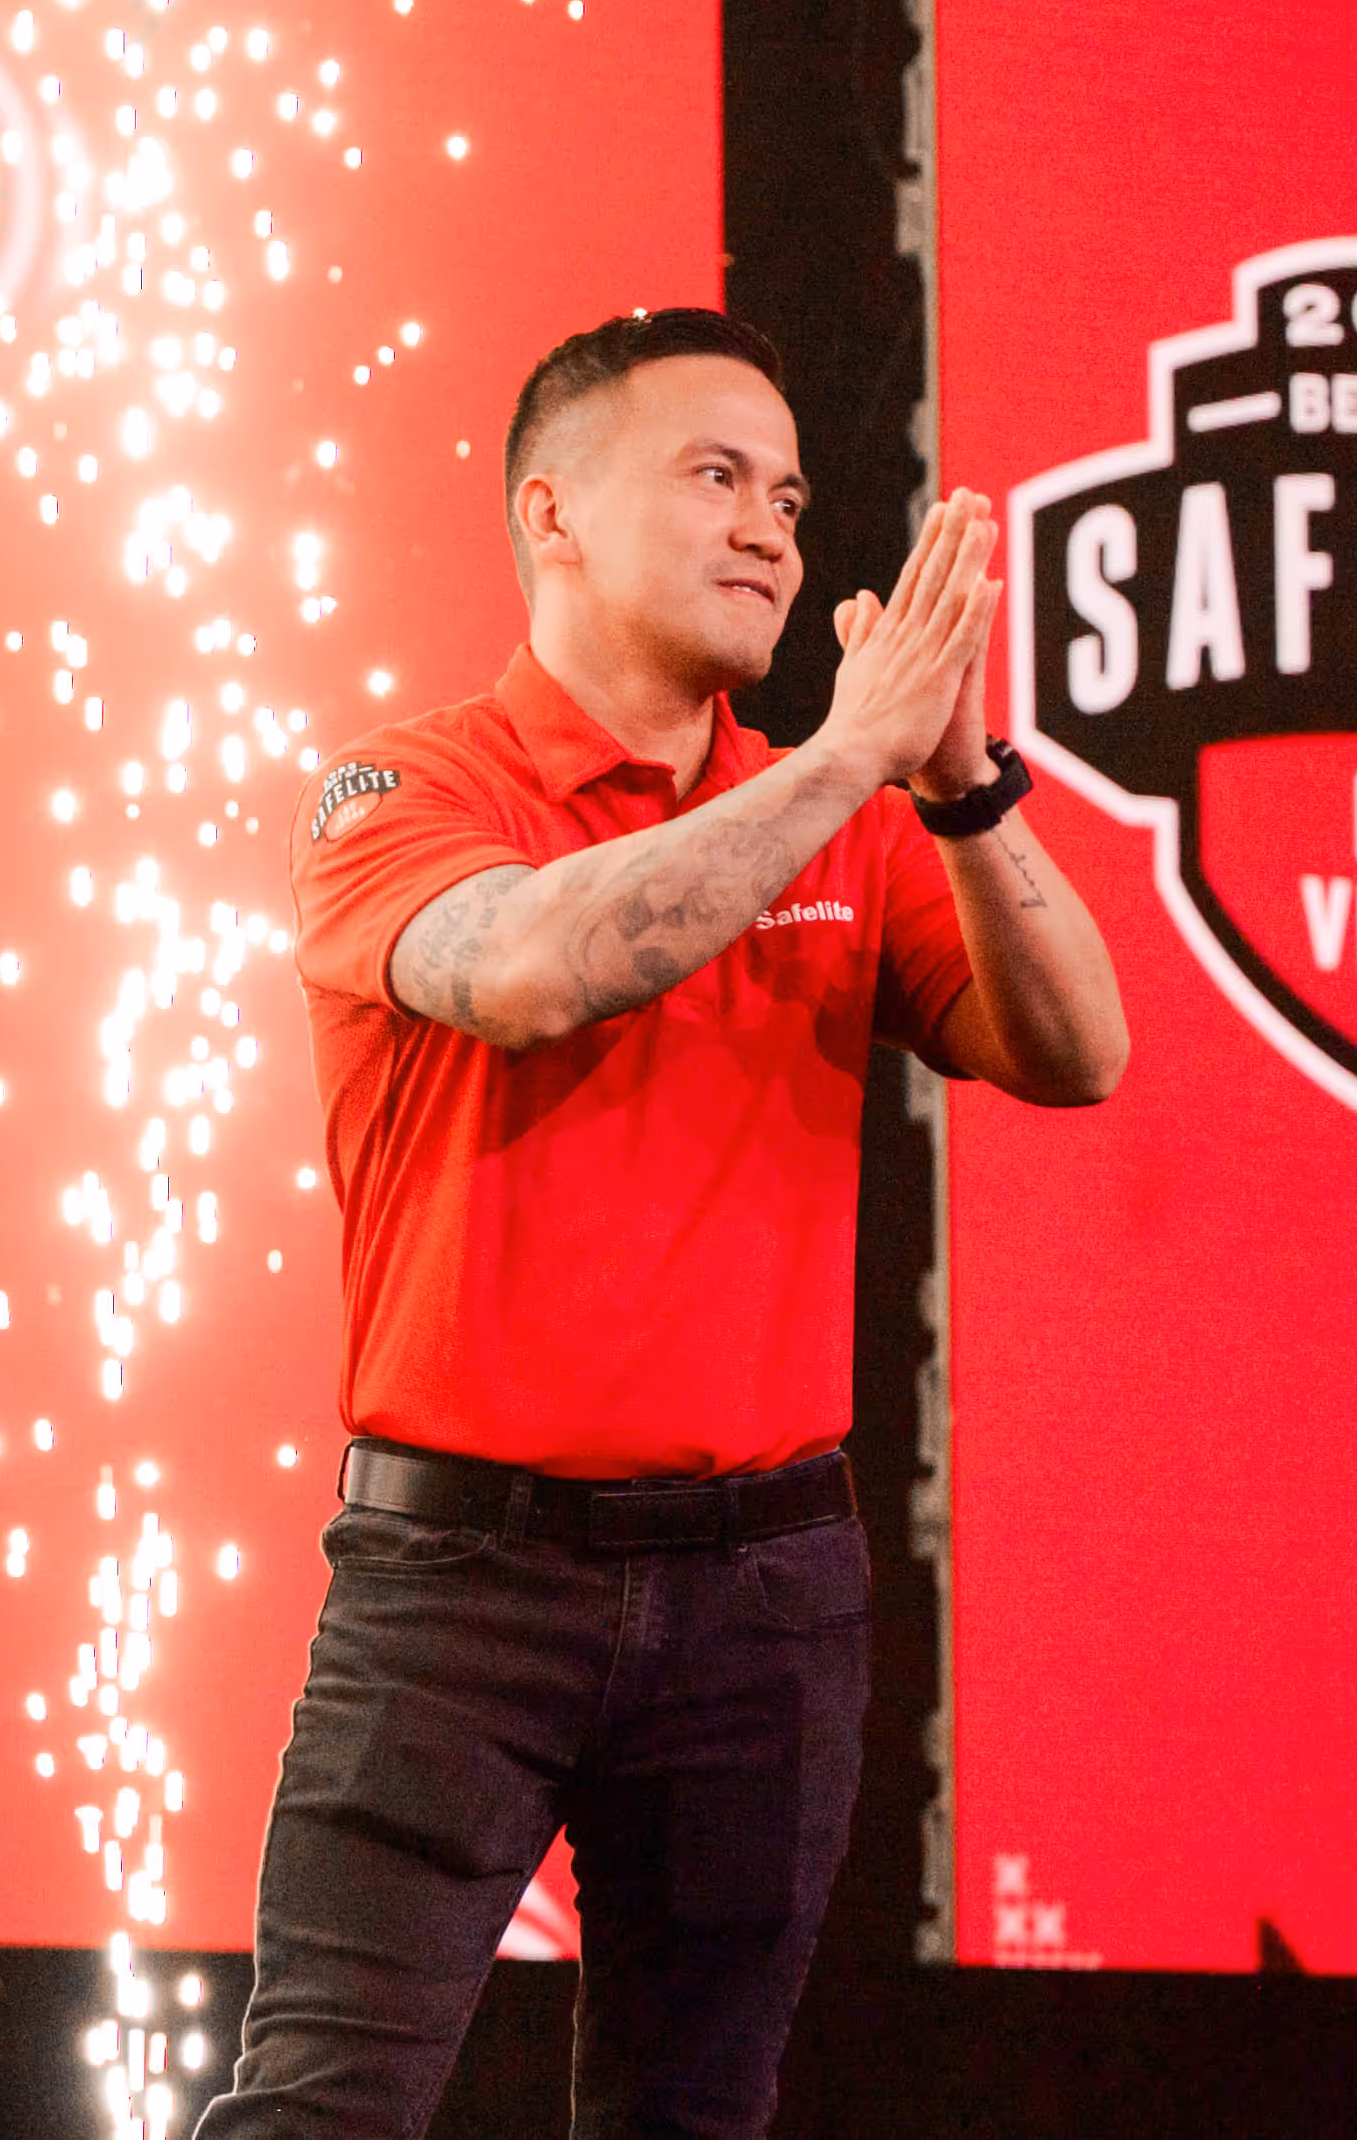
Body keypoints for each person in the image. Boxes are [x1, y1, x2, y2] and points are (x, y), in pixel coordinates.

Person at [193, 309, 1128, 2138]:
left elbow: (1082, 1050)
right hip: (461, 1586)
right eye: (715, 476)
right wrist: (844, 760)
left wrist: (956, 780)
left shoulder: (855, 816)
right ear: (552, 515)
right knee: (318, 2111)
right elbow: (534, 967)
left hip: (765, 1589)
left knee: (690, 2118)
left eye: (788, 492)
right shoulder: (408, 787)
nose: (773, 528)